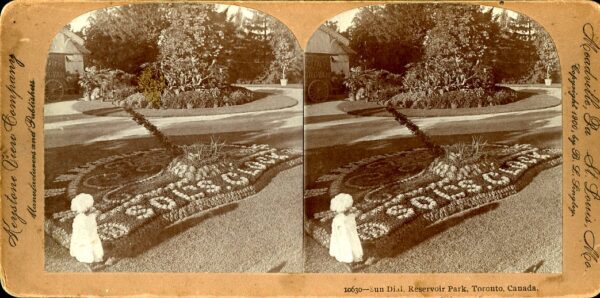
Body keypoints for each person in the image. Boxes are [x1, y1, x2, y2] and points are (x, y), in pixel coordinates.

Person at [69, 193, 104, 263]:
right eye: (89, 208)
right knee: (88, 244)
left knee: (90, 242)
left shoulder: (88, 217)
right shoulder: (84, 218)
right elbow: (79, 231)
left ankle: (93, 254)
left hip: (88, 236)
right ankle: (91, 254)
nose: (90, 209)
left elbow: (92, 227)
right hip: (86, 237)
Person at [329, 193, 363, 263]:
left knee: (345, 242)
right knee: (351, 241)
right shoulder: (350, 217)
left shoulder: (337, 219)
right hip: (347, 233)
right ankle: (352, 256)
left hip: (344, 234)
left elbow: (336, 231)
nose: (350, 209)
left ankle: (347, 256)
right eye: (349, 208)